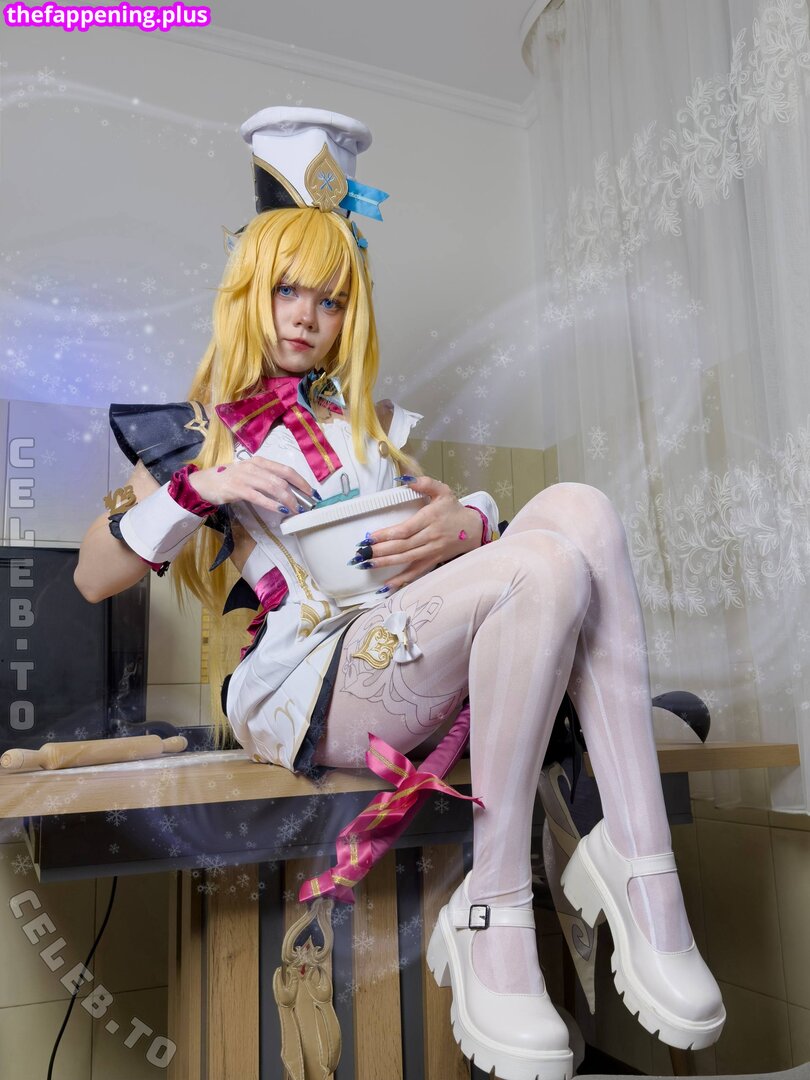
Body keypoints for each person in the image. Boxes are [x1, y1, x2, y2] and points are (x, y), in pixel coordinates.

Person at [75, 108, 725, 1080]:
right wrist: (200, 487)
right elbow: (93, 575)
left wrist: (468, 524)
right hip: (302, 684)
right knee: (547, 564)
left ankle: (642, 875)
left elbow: (456, 556)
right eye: (286, 289)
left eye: (330, 299)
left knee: (581, 511)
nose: (305, 316)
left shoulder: (370, 429)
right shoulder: (196, 432)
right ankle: (495, 905)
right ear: (247, 291)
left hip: (401, 646)